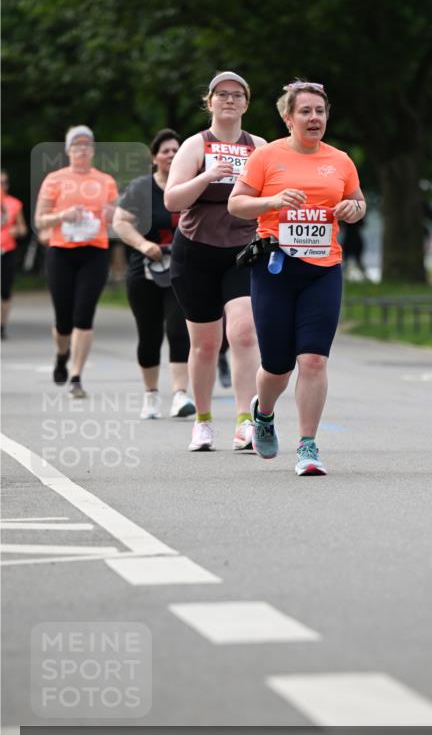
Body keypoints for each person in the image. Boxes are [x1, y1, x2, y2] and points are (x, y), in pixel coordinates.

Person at [229, 81, 366, 476]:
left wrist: (353, 209)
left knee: (314, 359)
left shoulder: (340, 160)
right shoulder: (266, 156)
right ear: (288, 118)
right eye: (305, 111)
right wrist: (271, 201)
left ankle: (307, 445)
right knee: (277, 366)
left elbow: (358, 200)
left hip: (323, 269)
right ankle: (264, 413)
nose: (314, 118)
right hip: (275, 268)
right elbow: (236, 203)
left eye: (320, 111)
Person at [165, 71, 265, 452]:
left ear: (246, 104)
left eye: (237, 95)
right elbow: (172, 201)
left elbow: (274, 194)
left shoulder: (259, 146)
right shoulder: (195, 145)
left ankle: (244, 421)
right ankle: (203, 421)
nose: (229, 100)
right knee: (206, 344)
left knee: (243, 332)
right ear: (209, 102)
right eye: (221, 94)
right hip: (196, 251)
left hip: (242, 250)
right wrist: (208, 176)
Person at [112, 129, 196, 420]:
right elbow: (120, 222)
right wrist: (143, 244)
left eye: (176, 150)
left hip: (182, 269)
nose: (171, 155)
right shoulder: (140, 188)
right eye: (165, 151)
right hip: (144, 270)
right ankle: (150, 396)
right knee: (149, 335)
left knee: (178, 329)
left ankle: (180, 395)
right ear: (154, 157)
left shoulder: (192, 185)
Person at [35, 126, 118, 398]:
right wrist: (63, 216)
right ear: (68, 150)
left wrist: (111, 212)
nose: (82, 148)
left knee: (84, 315)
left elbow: (117, 217)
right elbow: (40, 220)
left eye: (87, 144)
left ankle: (76, 376)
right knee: (63, 320)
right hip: (61, 252)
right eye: (77, 144)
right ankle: (62, 354)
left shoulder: (105, 181)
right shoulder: (55, 179)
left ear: (93, 150)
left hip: (95, 252)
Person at [0, 170, 28, 339]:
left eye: (4, 182)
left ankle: (2, 326)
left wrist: (17, 230)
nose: (2, 186)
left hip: (7, 250)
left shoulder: (14, 204)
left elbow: (23, 229)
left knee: (5, 290)